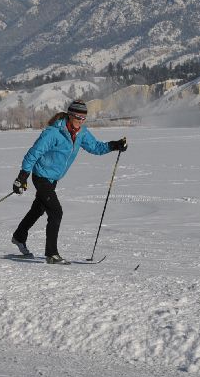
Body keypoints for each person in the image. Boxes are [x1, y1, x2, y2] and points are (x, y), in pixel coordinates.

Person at [10, 99, 127, 264]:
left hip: (53, 178)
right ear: (70, 115)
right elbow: (33, 153)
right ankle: (51, 254)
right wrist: (22, 177)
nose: (81, 121)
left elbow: (95, 147)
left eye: (83, 118)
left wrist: (114, 145)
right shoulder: (53, 133)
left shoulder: (82, 133)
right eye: (78, 117)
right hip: (41, 176)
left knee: (38, 209)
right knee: (56, 212)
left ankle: (19, 236)